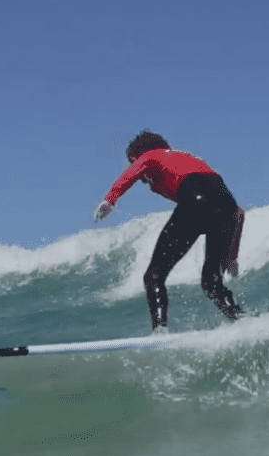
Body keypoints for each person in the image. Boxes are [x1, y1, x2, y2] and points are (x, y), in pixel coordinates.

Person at [94, 131, 245, 334]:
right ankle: (242, 320)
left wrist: (110, 199)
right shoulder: (190, 160)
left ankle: (160, 330)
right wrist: (231, 257)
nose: (142, 180)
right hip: (227, 207)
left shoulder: (151, 156)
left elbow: (137, 169)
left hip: (197, 200)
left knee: (153, 276)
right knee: (211, 282)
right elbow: (237, 213)